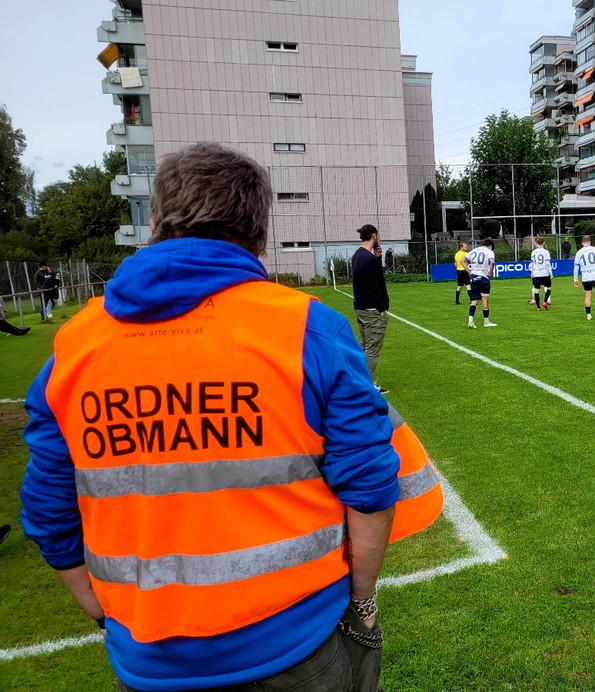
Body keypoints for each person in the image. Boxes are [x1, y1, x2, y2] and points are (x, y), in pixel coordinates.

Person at [20, 142, 441, 691]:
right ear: (258, 234)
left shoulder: (72, 349)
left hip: (147, 659)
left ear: (157, 224)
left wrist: (106, 616)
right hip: (297, 646)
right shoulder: (307, 329)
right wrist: (361, 601)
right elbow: (368, 486)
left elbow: (50, 513)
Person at [351, 223, 390, 393]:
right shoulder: (367, 259)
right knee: (372, 349)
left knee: (365, 346)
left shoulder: (359, 255)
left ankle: (358, 380)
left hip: (361, 308)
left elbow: (373, 276)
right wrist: (381, 309)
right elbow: (373, 286)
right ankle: (366, 386)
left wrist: (378, 258)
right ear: (374, 235)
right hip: (371, 310)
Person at [465, 238, 497, 328]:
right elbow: (492, 262)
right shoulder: (489, 251)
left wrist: (469, 271)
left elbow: (462, 261)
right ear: (490, 245)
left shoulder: (473, 251)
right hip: (483, 276)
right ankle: (486, 322)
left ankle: (470, 321)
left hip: (473, 276)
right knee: (485, 298)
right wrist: (490, 273)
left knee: (474, 300)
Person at [529, 237, 553, 311]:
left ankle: (538, 307)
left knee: (536, 290)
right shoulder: (546, 252)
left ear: (536, 244)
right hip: (545, 273)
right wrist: (551, 273)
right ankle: (545, 301)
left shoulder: (533, 252)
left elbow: (533, 263)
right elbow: (547, 263)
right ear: (543, 243)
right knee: (548, 288)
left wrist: (532, 272)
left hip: (537, 273)